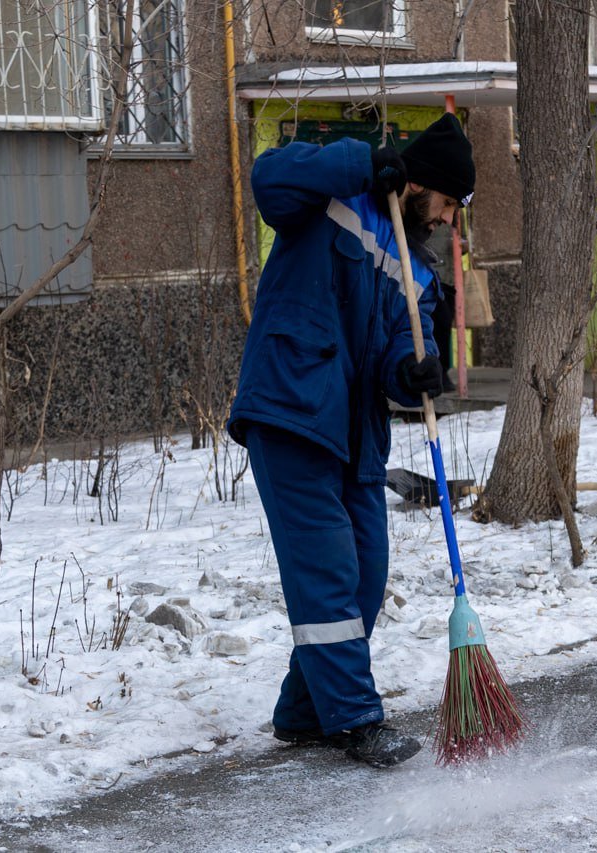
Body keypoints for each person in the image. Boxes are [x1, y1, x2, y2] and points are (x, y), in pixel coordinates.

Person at [227, 114, 475, 768]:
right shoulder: (330, 200)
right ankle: (354, 719)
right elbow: (269, 178)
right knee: (329, 573)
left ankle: (303, 713)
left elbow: (403, 348)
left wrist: (414, 370)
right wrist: (364, 164)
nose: (449, 220)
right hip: (292, 409)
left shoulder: (418, 274)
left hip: (357, 439)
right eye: (448, 203)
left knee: (364, 577)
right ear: (421, 185)